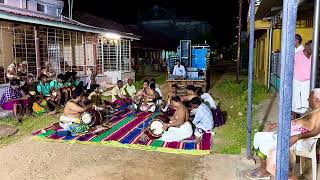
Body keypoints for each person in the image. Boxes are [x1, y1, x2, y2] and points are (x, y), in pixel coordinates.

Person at [247, 88, 320, 180]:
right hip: (289, 135)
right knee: (258, 136)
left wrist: (297, 137)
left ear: (317, 100)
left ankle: (266, 170)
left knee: (264, 145)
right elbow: (298, 123)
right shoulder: (315, 111)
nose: (308, 100)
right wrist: (278, 124)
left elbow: (316, 131)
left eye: (310, 98)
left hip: (296, 140)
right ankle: (264, 169)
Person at [292, 40, 312, 118]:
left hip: (307, 82)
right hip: (296, 81)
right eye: (311, 48)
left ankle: (303, 120)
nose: (313, 50)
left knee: (306, 102)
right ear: (306, 46)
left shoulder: (313, 57)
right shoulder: (296, 55)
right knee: (295, 101)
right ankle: (294, 119)